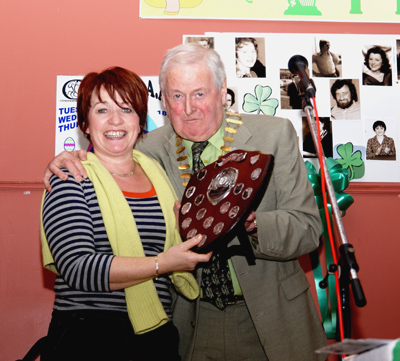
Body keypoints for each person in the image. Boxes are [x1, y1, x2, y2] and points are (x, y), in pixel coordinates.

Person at [43, 44, 328, 361]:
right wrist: (70, 157)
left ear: (221, 92)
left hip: (269, 316)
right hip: (190, 321)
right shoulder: (148, 149)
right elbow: (107, 155)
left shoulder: (273, 136)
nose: (189, 108)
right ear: (163, 101)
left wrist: (252, 223)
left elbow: (308, 229)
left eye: (200, 94)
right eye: (177, 96)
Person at [40, 66, 211, 361]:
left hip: (156, 335)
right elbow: (79, 268)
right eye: (102, 110)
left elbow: (180, 252)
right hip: (88, 337)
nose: (116, 120)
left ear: (140, 120)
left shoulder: (160, 175)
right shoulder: (70, 176)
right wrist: (161, 264)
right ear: (85, 122)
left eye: (127, 109)